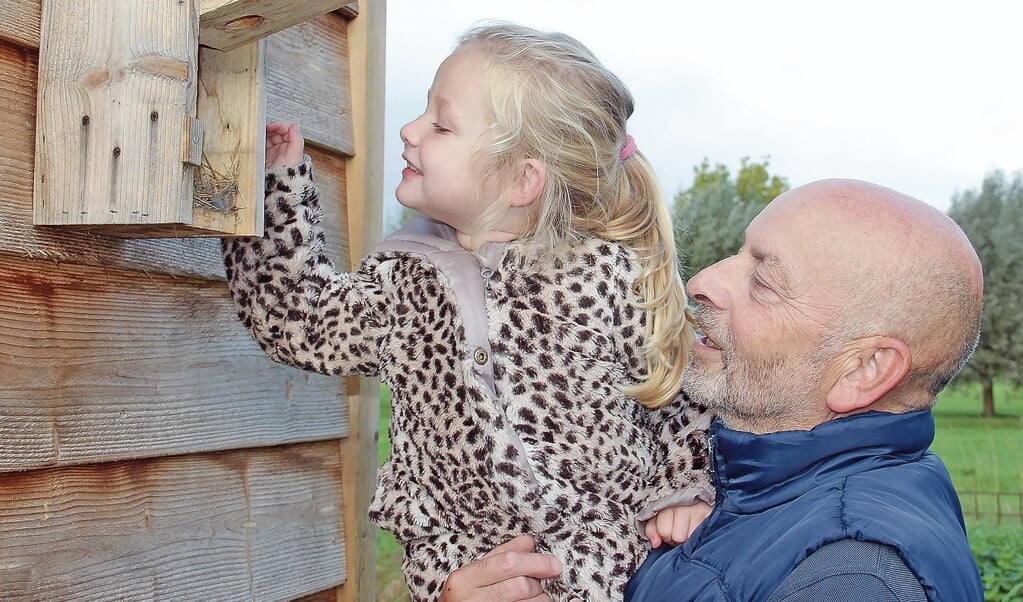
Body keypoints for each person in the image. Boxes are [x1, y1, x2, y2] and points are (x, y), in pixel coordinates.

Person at [221, 22, 714, 602]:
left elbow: (683, 402)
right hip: (466, 579)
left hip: (614, 579)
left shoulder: (609, 278)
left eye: (440, 124)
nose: (408, 131)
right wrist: (277, 190)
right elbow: (300, 320)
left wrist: (686, 493)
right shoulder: (402, 287)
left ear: (521, 179)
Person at [439, 178, 986, 602]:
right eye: (740, 253)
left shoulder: (853, 575)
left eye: (764, 283)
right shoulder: (756, 489)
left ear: (865, 369)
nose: (702, 281)